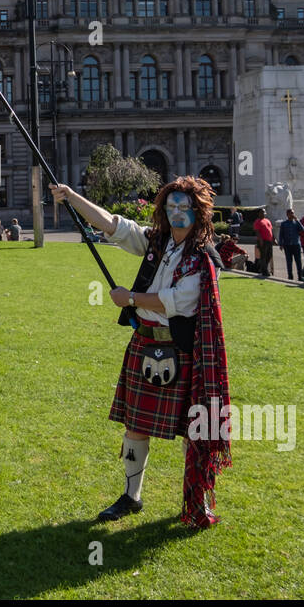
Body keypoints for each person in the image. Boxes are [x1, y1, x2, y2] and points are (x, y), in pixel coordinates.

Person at [48, 176, 232, 528]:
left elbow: (178, 302)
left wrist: (130, 298)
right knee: (135, 426)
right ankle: (131, 497)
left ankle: (196, 501)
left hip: (182, 351)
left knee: (194, 431)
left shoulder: (203, 257)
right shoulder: (157, 243)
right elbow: (115, 225)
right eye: (171, 205)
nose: (176, 212)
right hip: (145, 343)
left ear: (199, 211)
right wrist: (72, 197)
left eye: (184, 207)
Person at [277, 208, 304, 281]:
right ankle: (290, 276)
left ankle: (300, 276)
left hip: (296, 245)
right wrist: (280, 244)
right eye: (290, 213)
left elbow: (303, 229)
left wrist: (297, 221)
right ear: (287, 214)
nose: (292, 214)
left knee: (298, 261)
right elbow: (281, 234)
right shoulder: (284, 223)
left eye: (293, 213)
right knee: (289, 262)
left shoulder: (296, 222)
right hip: (287, 245)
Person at [252, 209, 274, 277]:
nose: (263, 213)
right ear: (259, 213)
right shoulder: (257, 222)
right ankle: (264, 271)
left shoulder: (267, 220)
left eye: (264, 212)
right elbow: (257, 232)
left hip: (269, 241)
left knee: (269, 255)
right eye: (262, 212)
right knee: (263, 256)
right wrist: (260, 240)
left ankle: (263, 268)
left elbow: (270, 230)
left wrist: (273, 238)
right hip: (263, 241)